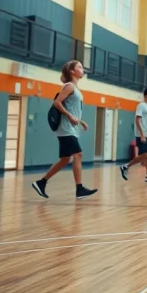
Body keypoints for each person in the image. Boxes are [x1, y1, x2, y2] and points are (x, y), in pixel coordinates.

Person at [31, 60, 97, 200]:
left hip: (70, 128)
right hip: (65, 129)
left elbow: (72, 109)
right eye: (79, 66)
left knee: (65, 159)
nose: (82, 68)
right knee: (78, 154)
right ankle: (79, 189)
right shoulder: (69, 86)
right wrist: (70, 116)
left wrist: (80, 121)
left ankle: (41, 183)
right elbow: (57, 102)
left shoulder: (75, 88)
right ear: (72, 71)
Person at [120, 88, 147, 184]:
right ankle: (125, 166)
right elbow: (137, 120)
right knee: (145, 154)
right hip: (142, 134)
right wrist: (142, 134)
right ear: (146, 95)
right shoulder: (141, 106)